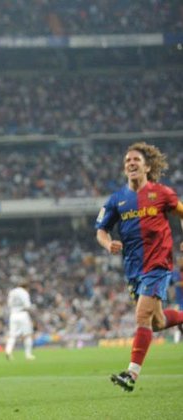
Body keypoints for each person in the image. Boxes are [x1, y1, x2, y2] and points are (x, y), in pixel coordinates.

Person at [95, 142, 183, 392]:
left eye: (136, 160)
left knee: (141, 316)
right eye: (127, 161)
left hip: (158, 264)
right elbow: (100, 230)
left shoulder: (162, 193)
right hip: (133, 268)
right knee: (157, 322)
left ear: (147, 166)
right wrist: (107, 243)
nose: (131, 163)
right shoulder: (117, 200)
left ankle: (131, 374)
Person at [4, 280, 36, 361]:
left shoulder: (12, 292)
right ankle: (28, 355)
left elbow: (9, 304)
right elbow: (27, 305)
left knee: (12, 335)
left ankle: (8, 351)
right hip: (22, 314)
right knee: (27, 335)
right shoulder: (24, 292)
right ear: (26, 287)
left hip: (13, 315)